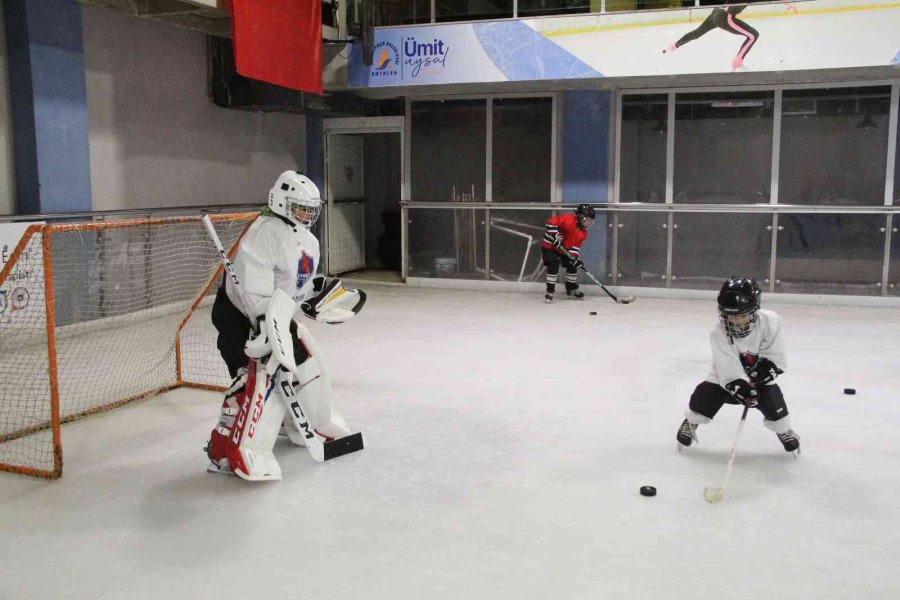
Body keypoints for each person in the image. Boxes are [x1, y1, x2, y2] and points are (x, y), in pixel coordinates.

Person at [205, 170, 365, 477]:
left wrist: (317, 294)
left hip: (274, 315)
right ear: (281, 202)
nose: (307, 215)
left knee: (306, 364)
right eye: (300, 208)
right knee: (252, 379)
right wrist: (265, 328)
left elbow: (296, 284)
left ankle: (305, 422)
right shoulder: (265, 232)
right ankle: (227, 449)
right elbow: (253, 290)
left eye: (311, 209)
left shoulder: (306, 239)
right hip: (241, 316)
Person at [675, 277, 800, 454]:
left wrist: (765, 371)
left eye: (742, 316)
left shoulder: (771, 322)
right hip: (724, 378)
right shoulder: (718, 332)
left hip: (758, 376)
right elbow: (727, 368)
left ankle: (783, 429)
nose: (736, 322)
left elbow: (776, 355)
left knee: (771, 395)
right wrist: (740, 386)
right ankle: (692, 421)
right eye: (730, 316)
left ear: (755, 310)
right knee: (707, 392)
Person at [663, 3, 798, 72]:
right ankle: (737, 63)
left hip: (715, 12)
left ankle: (674, 46)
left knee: (698, 32)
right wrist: (787, 4)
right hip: (725, 18)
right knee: (753, 35)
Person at [541, 204, 595, 303]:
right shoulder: (568, 219)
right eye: (588, 220)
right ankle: (550, 291)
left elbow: (574, 248)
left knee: (573, 263)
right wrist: (555, 235)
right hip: (550, 247)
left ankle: (571, 289)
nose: (589, 223)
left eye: (590, 221)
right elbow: (551, 222)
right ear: (581, 217)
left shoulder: (583, 234)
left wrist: (574, 260)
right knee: (553, 263)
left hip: (563, 249)